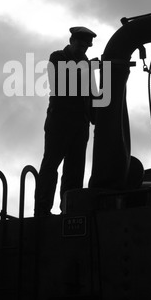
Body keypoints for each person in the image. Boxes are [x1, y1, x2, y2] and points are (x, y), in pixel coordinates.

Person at [35, 26, 97, 216]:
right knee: (50, 166)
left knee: (75, 171)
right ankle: (42, 210)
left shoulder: (86, 64)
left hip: (80, 125)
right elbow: (62, 83)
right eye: (80, 44)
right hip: (59, 123)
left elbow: (92, 94)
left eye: (86, 46)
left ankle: (70, 209)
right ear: (72, 41)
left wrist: (95, 118)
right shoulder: (58, 58)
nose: (83, 49)